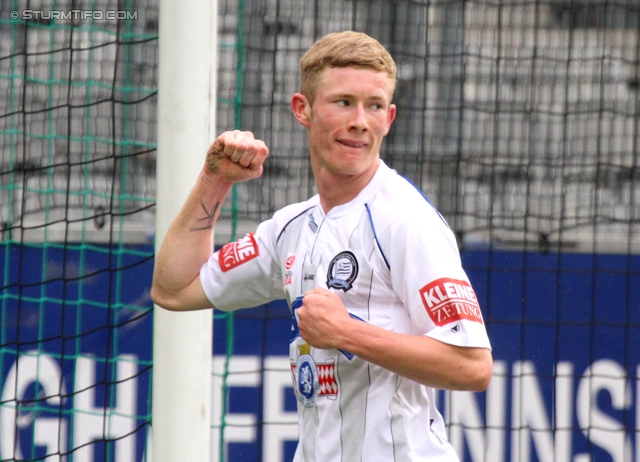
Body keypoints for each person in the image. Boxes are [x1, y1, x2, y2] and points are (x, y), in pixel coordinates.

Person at [151, 30, 493, 462]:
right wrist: (215, 180)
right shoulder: (290, 228)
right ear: (303, 109)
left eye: (373, 106)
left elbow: (473, 366)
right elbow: (174, 289)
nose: (359, 121)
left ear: (389, 118)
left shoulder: (407, 220)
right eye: (343, 102)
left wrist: (346, 332)